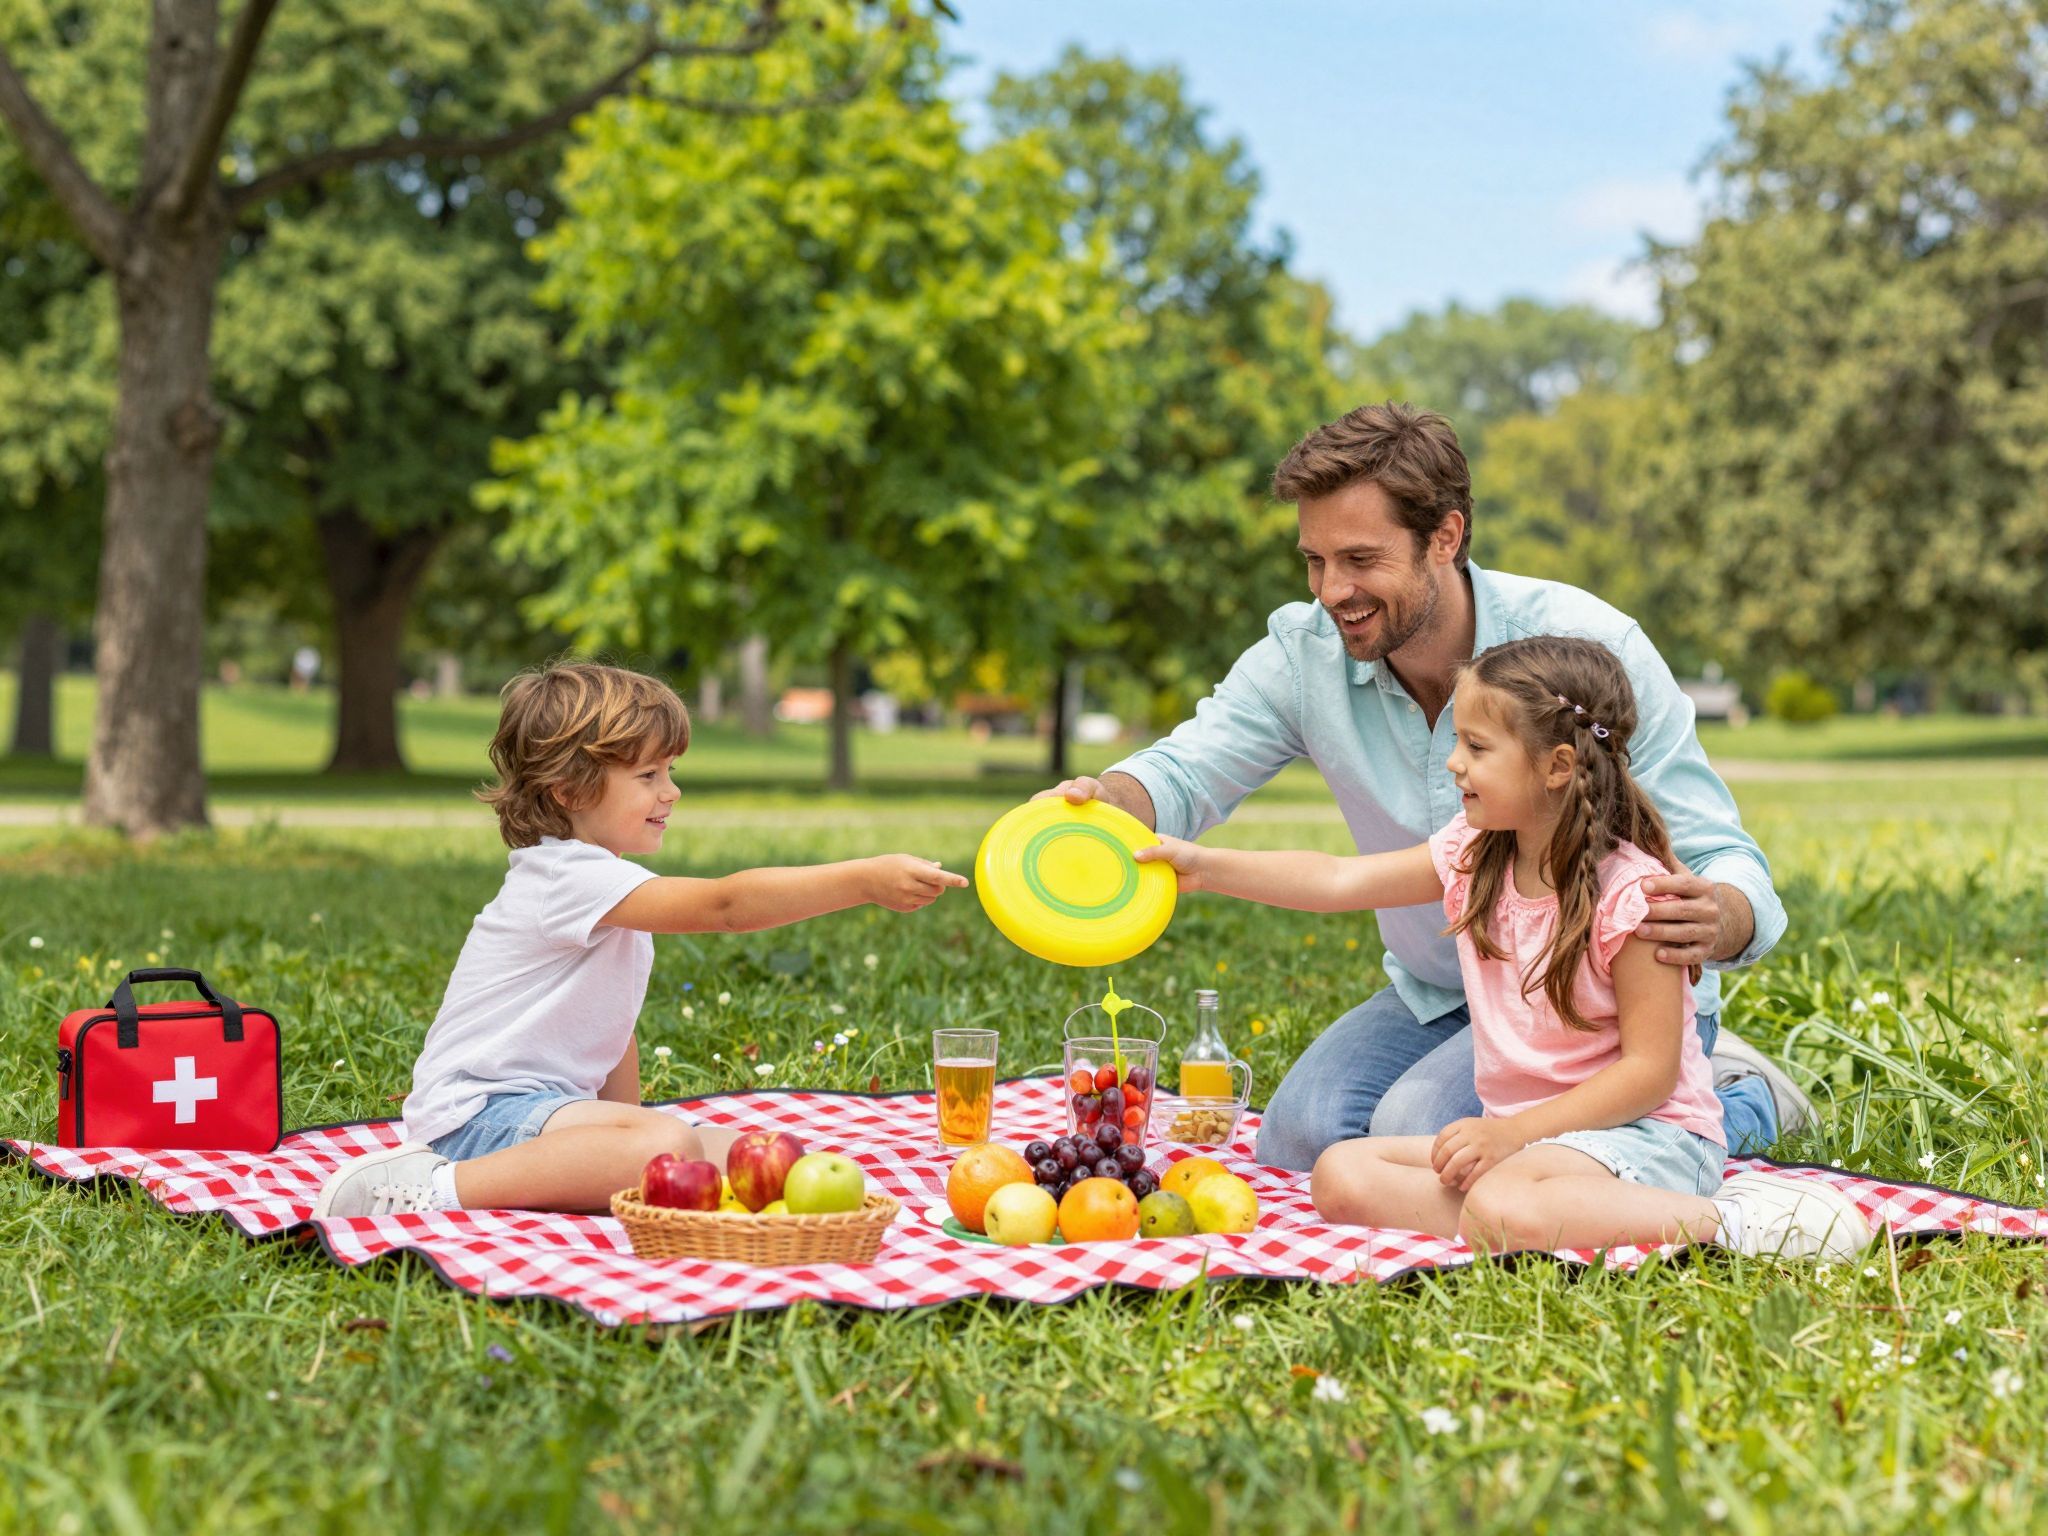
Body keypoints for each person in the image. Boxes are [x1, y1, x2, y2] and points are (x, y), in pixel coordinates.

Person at [1041, 402, 1808, 1169]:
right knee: (1299, 1138)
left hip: (1596, 1015)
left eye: (1361, 560)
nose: (1332, 590)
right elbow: (1184, 771)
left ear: (1444, 536)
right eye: (1315, 560)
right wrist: (1108, 803)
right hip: (1443, 996)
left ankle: (1731, 1104)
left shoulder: (1588, 652)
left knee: (1415, 1132)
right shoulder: (1303, 655)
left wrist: (1725, 917)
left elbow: (1719, 852)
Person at [1135, 637, 1869, 1258]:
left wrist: (1511, 1135)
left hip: (1643, 1137)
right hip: (1529, 1146)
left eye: (1476, 747)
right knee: (1340, 1176)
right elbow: (1336, 878)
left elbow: (1648, 1076)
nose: (1453, 763)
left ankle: (1737, 1223)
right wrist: (1203, 867)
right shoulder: (1474, 854)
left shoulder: (1633, 898)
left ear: (1555, 766)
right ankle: (1522, 1220)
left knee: (1500, 1198)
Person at [313, 661, 968, 1218]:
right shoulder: (564, 877)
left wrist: (634, 1120)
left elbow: (608, 1023)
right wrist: (863, 879)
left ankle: (591, 1158)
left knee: (764, 1160)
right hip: (478, 1117)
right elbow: (729, 906)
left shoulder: (610, 884)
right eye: (649, 775)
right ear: (569, 788)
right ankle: (428, 1190)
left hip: (545, 1113)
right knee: (666, 1151)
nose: (671, 792)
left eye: (671, 771)